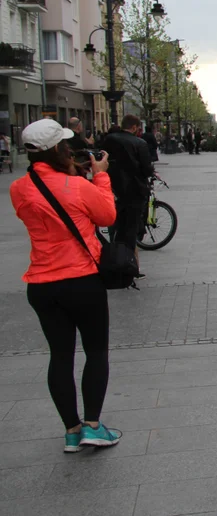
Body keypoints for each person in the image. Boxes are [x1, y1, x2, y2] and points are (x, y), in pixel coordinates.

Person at [9, 118, 123, 453]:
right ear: (60, 149)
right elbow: (107, 216)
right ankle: (93, 426)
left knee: (60, 356)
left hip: (42, 285)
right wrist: (100, 174)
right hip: (82, 280)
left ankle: (72, 431)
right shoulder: (77, 186)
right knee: (96, 352)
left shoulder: (19, 188)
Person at [100, 115, 154, 251]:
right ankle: (126, 257)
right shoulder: (140, 143)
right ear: (135, 127)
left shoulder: (109, 140)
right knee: (131, 227)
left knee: (116, 222)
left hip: (113, 188)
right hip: (134, 190)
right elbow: (147, 169)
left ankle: (114, 248)